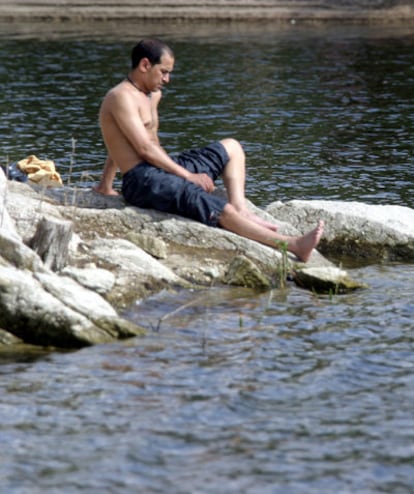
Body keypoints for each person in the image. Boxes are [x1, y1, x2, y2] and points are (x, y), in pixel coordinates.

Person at [95, 38, 324, 262]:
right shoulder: (120, 97)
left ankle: (241, 208)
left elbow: (130, 139)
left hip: (162, 167)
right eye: (164, 72)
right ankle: (292, 245)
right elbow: (143, 148)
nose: (167, 79)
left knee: (232, 147)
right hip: (142, 180)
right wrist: (187, 176)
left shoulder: (152, 95)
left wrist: (106, 185)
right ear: (145, 65)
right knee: (218, 208)